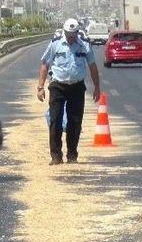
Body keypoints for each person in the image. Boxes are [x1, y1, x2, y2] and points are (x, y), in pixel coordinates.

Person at [37, 18, 101, 165]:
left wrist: (97, 87)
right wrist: (40, 87)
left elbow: (92, 66)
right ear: (64, 32)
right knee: (55, 120)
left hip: (77, 87)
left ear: (77, 33)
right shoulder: (55, 44)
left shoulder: (84, 45)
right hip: (58, 86)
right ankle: (56, 156)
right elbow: (45, 65)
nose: (71, 38)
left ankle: (72, 155)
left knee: (75, 121)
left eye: (73, 35)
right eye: (69, 35)